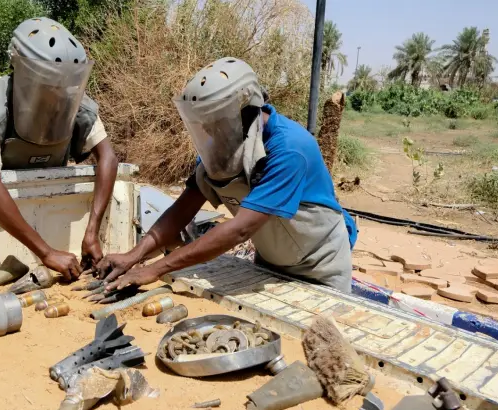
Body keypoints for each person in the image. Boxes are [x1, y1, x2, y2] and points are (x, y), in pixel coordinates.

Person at [96, 57, 357, 293]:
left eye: (216, 122)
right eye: (204, 124)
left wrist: (156, 268)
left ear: (244, 107)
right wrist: (134, 255)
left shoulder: (289, 149)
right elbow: (182, 209)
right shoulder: (221, 149)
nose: (209, 132)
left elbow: (240, 229)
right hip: (271, 265)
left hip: (321, 268)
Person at [0, 17, 118, 281]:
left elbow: (108, 158)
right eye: (49, 82)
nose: (56, 92)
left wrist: (92, 231)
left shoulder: (78, 103)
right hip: (4, 215)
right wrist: (46, 253)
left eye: (62, 83)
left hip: (49, 202)